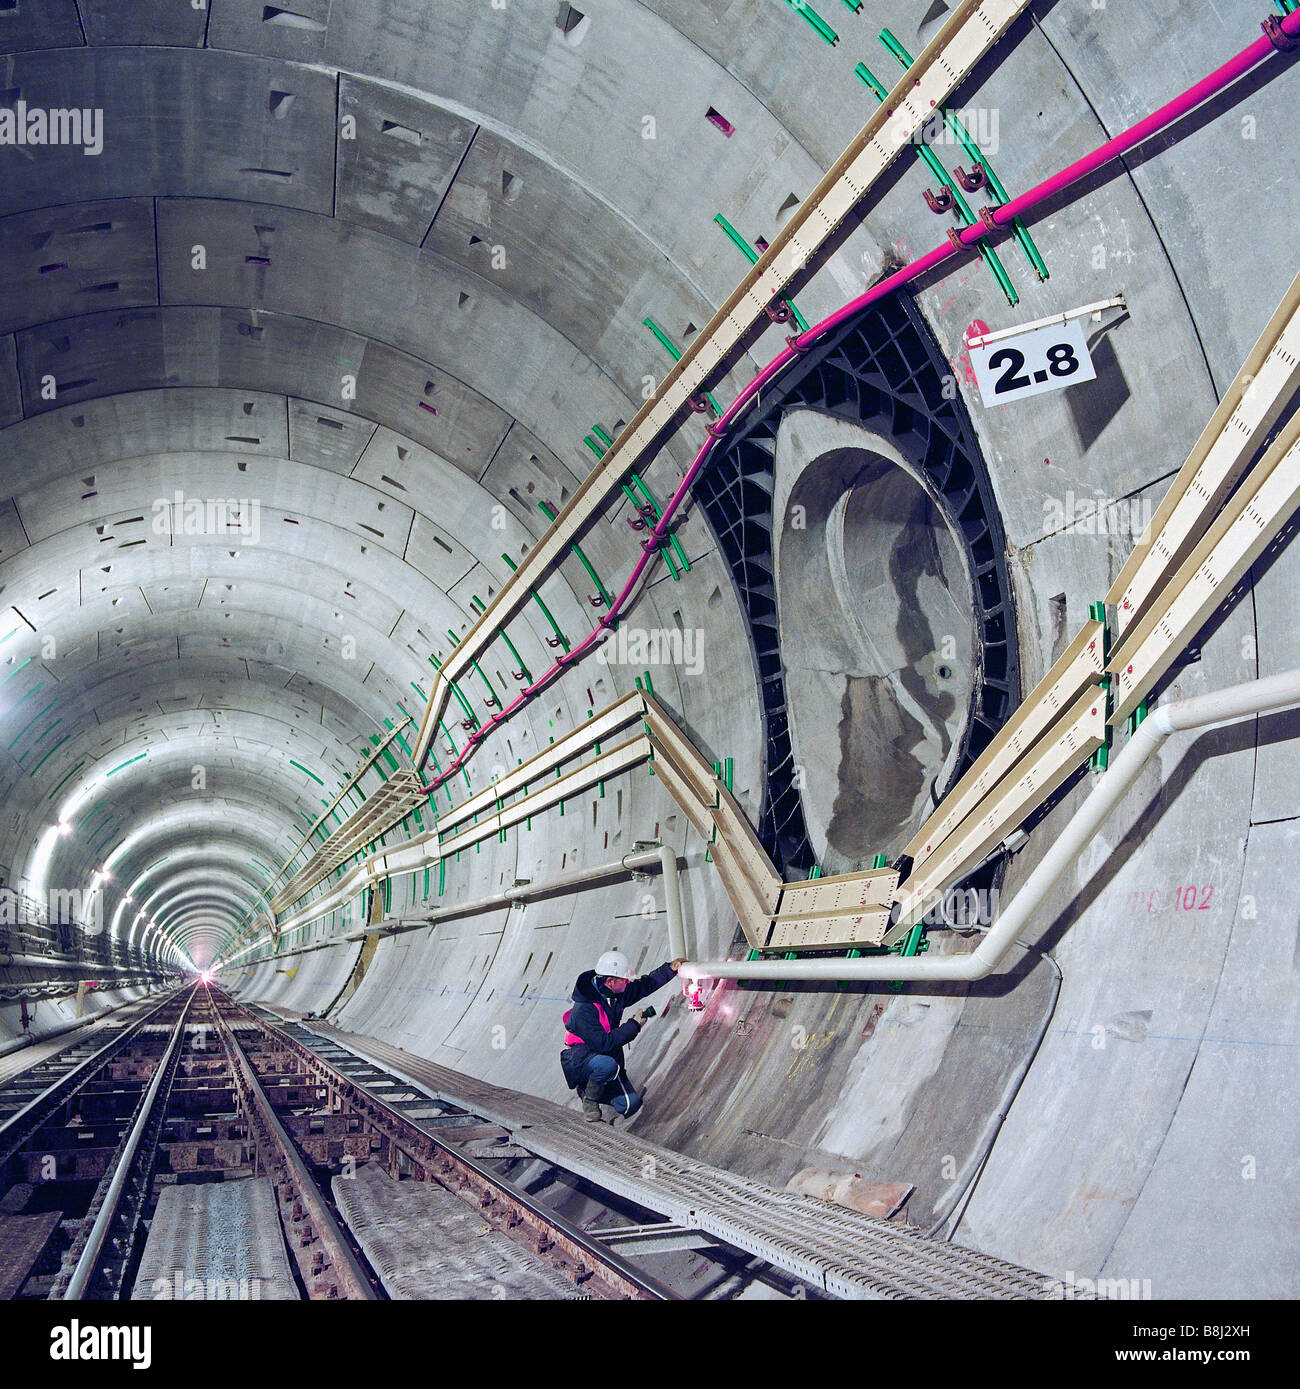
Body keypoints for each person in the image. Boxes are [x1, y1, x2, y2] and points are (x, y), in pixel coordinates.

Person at [560, 949, 686, 1122]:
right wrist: (634, 1025)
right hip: (580, 1058)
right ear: (611, 981)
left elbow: (643, 986)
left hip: (604, 1056)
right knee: (606, 1066)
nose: (628, 982)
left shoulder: (614, 994)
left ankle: (598, 1085)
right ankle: (588, 1096)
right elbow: (603, 1044)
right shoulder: (585, 1009)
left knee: (630, 1105)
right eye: (624, 979)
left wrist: (670, 969)